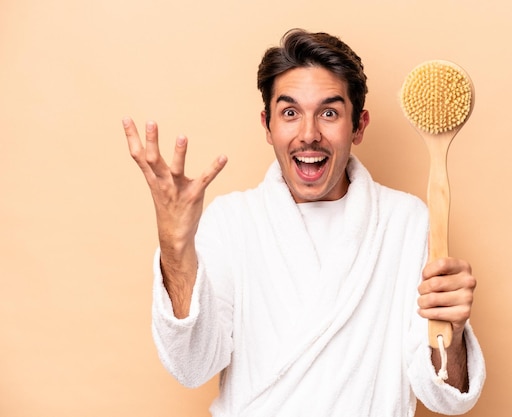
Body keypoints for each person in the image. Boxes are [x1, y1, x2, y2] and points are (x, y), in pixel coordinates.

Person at [123, 28, 485, 416]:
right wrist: (176, 252)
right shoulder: (231, 222)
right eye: (290, 113)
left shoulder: (406, 222)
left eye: (329, 113)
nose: (309, 135)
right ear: (267, 125)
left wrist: (454, 329)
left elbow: (446, 395)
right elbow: (192, 366)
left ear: (358, 126)